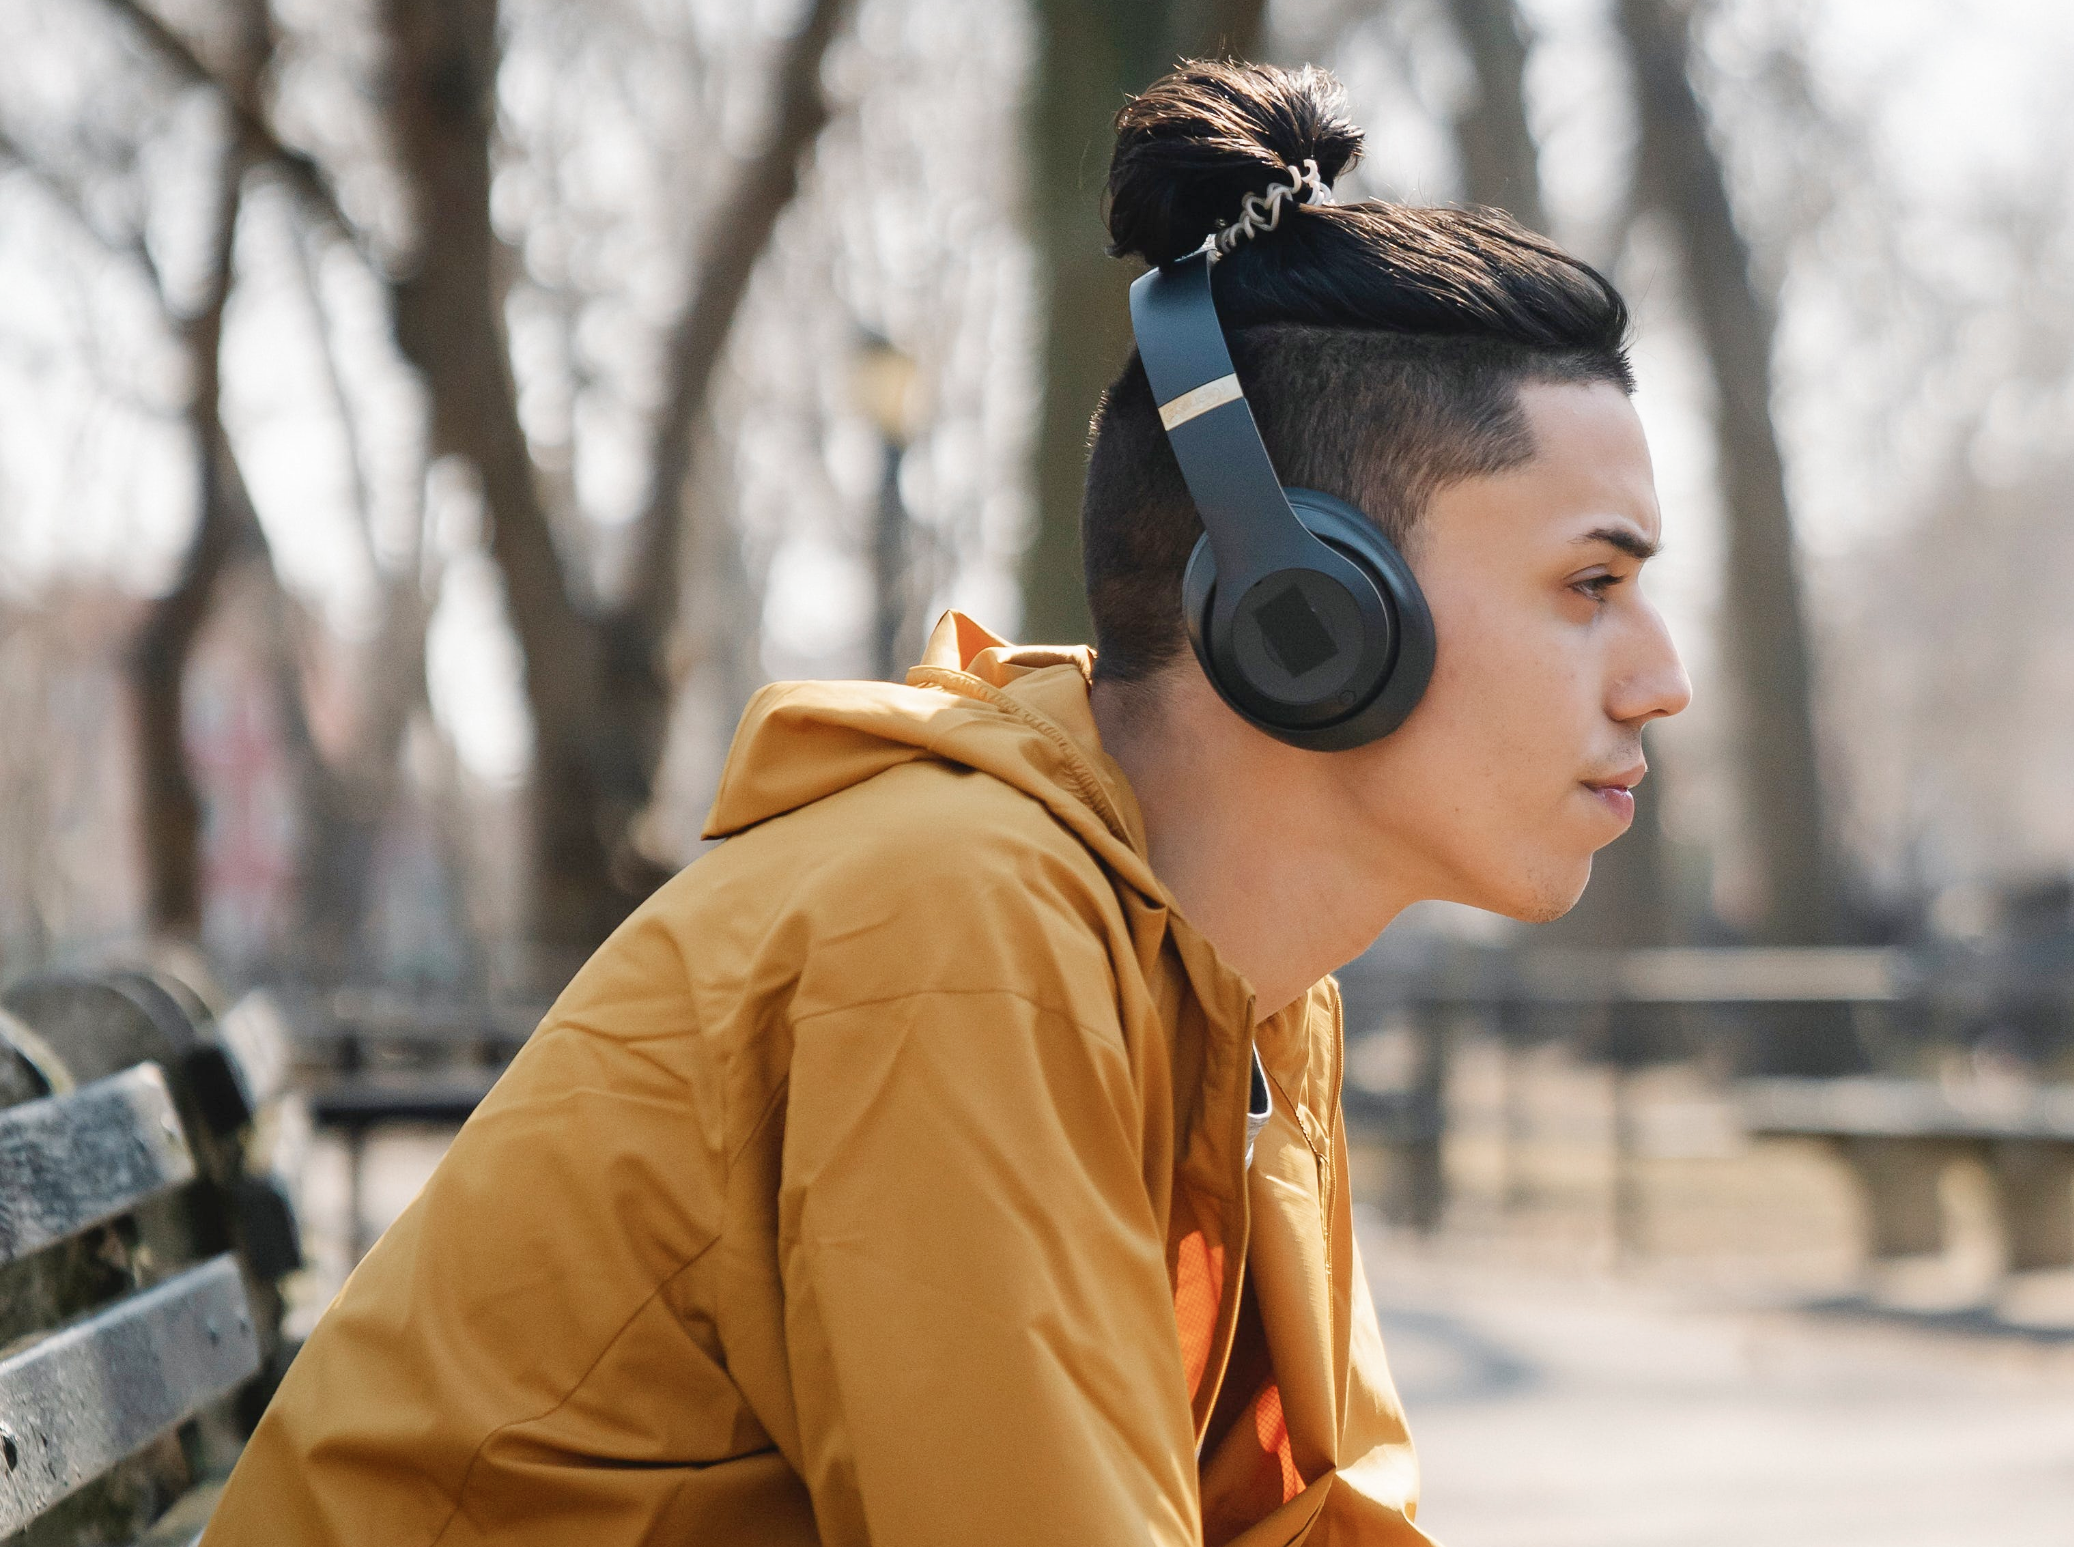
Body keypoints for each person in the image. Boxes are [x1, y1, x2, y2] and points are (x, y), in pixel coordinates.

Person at [205, 58, 1687, 1547]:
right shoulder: (956, 936)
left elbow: (1309, 1517)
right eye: (1590, 584)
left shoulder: (1238, 991)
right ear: (1309, 610)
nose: (1661, 680)